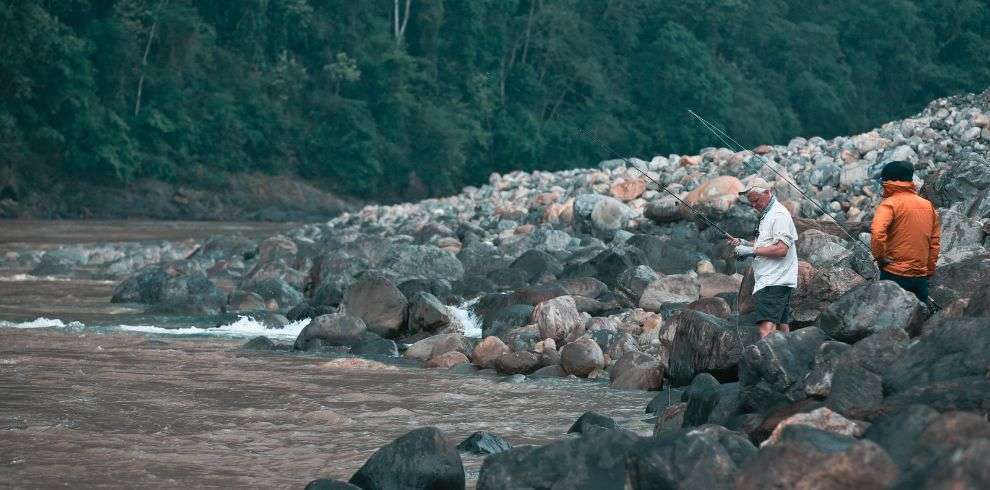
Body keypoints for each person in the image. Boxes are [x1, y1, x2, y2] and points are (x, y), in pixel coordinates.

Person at [730, 177, 799, 338]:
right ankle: (788, 357)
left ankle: (763, 361)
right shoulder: (767, 214)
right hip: (773, 278)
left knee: (765, 330)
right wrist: (744, 244)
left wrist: (750, 251)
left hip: (776, 280)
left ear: (768, 192)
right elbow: (765, 244)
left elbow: (782, 249)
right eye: (751, 202)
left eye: (756, 200)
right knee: (782, 327)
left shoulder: (779, 215)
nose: (754, 205)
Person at [870, 160, 940, 306]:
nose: (882, 184)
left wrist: (881, 258)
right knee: (919, 320)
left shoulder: (889, 204)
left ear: (890, 181)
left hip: (893, 275)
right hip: (920, 277)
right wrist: (929, 271)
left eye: (883, 180)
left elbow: (877, 233)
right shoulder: (927, 206)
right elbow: (934, 243)